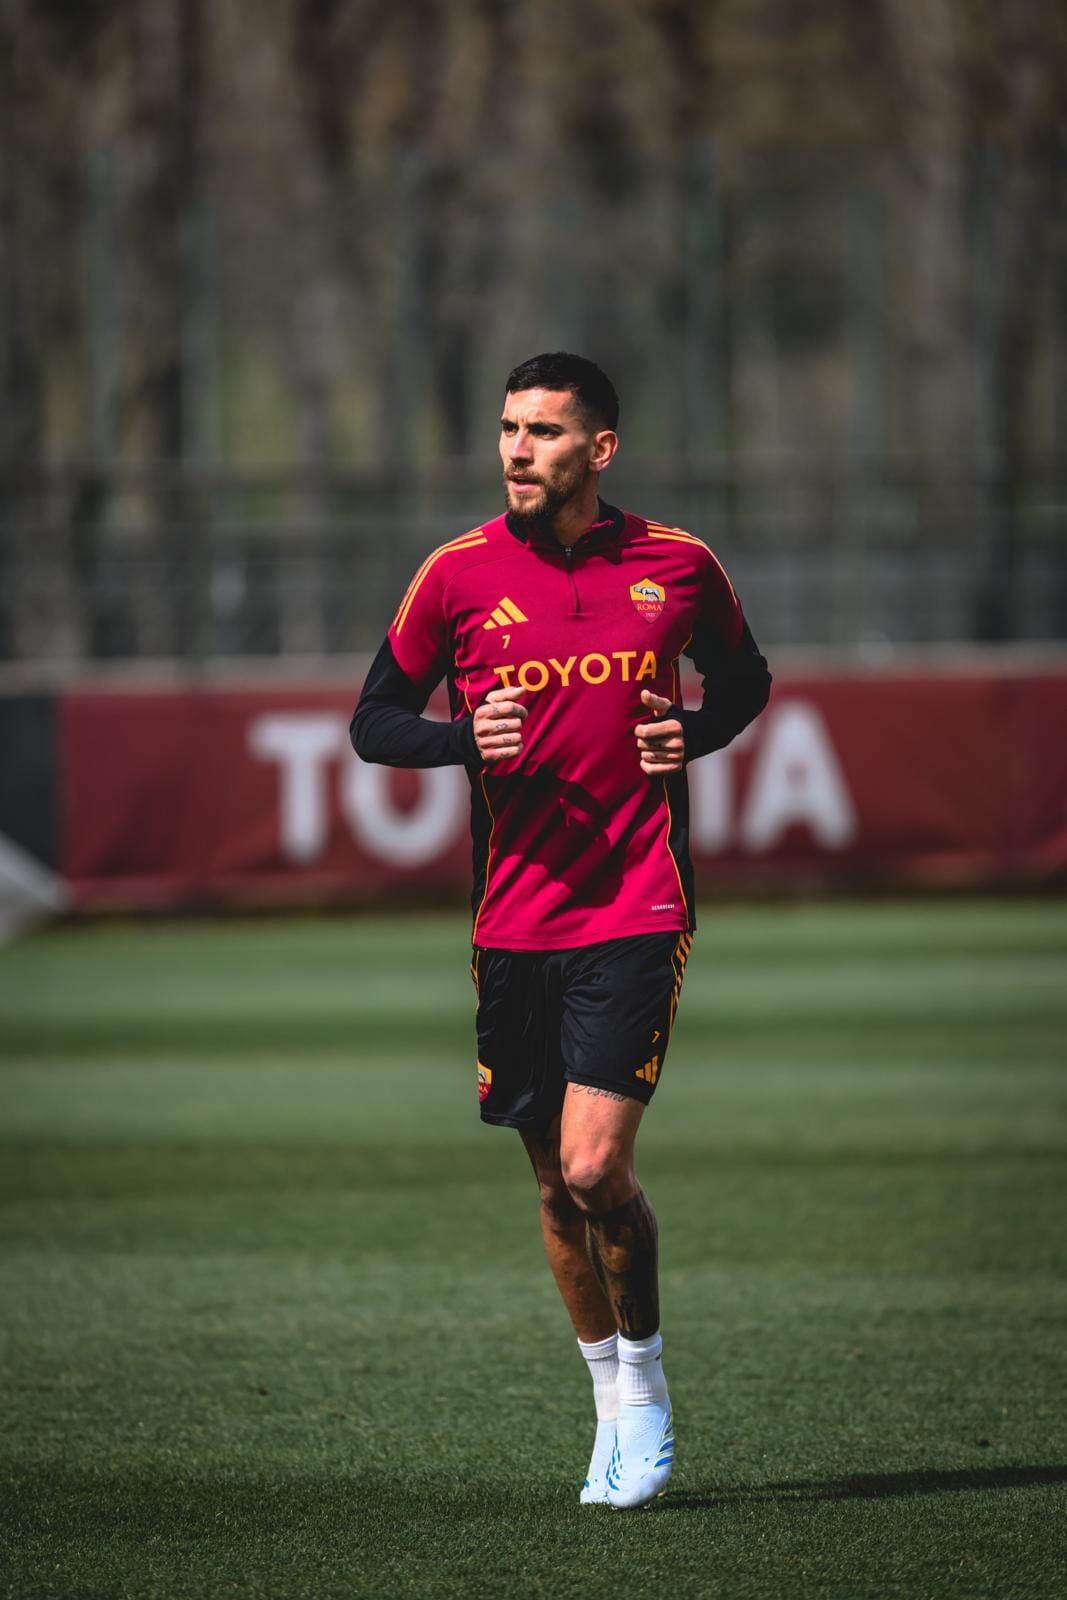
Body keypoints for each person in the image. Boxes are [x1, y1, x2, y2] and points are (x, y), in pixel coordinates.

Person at [351, 352, 771, 1509]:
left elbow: (743, 679)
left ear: (600, 448)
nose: (516, 449)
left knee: (595, 1165)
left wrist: (696, 731)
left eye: (541, 430)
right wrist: (458, 740)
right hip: (511, 921)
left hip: (636, 902)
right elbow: (374, 720)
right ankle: (606, 1408)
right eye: (506, 428)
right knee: (550, 1185)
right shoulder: (454, 574)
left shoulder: (677, 564)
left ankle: (647, 1383)